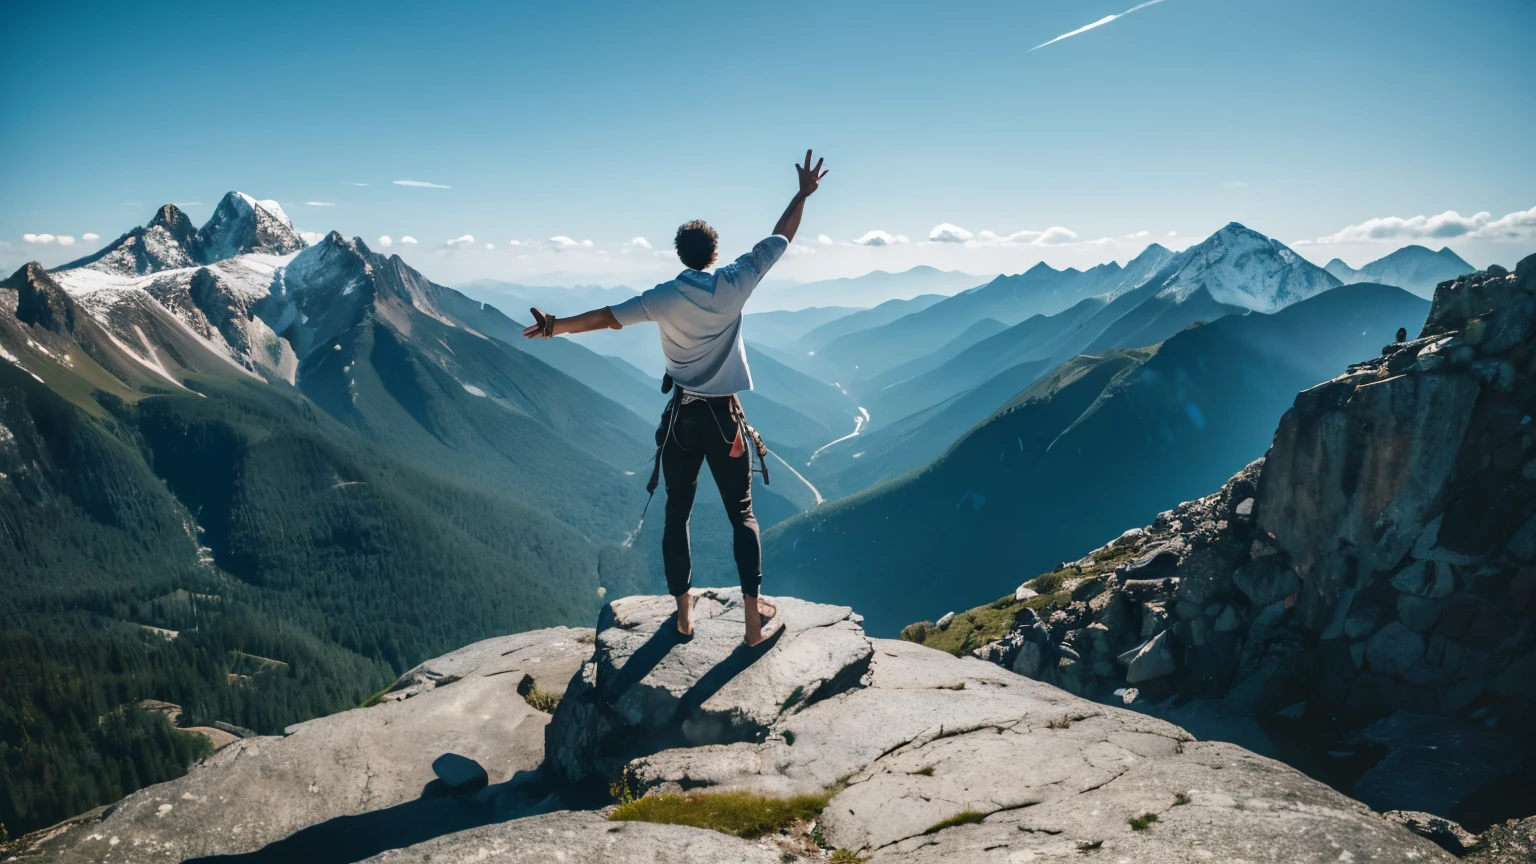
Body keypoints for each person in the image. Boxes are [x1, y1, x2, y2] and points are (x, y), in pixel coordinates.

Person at [523, 150, 829, 646]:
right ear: (713, 252)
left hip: (682, 420)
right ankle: (753, 625)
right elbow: (781, 237)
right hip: (725, 422)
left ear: (680, 255)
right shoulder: (736, 281)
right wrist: (801, 193)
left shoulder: (662, 296)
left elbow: (605, 317)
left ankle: (684, 617)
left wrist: (556, 327)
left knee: (676, 512)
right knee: (743, 516)